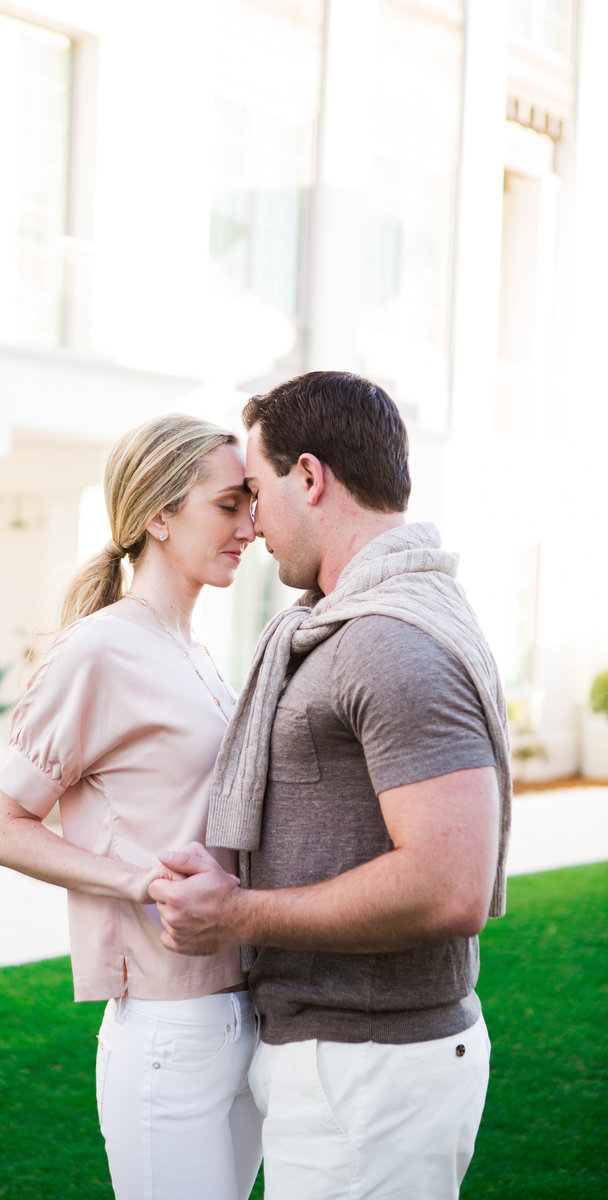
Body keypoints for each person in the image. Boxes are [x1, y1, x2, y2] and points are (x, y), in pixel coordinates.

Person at [149, 371, 513, 1200]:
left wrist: (235, 914)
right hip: (349, 1064)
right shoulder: (347, 624)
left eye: (256, 489)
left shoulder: (390, 642)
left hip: (370, 1072)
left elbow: (448, 885)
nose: (253, 523)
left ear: (309, 478)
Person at [0, 413, 263, 1200]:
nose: (251, 525)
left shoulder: (199, 652)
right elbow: (4, 827)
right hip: (167, 1028)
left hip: (243, 1013)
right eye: (229, 504)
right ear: (159, 516)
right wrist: (140, 882)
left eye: (251, 503)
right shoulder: (98, 649)